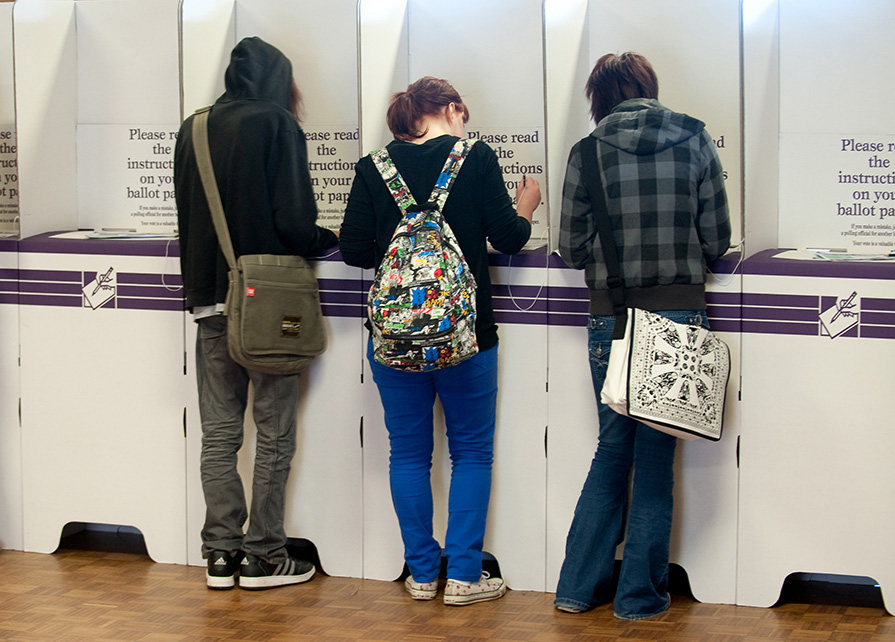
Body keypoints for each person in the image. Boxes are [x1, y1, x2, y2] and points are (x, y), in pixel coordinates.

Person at [339, 76, 541, 605]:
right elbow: (511, 239)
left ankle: (422, 574)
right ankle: (464, 578)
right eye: (463, 115)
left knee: (407, 455)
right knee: (471, 453)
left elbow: (357, 250)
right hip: (465, 335)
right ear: (451, 109)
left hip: (394, 343)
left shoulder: (372, 167)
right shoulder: (474, 158)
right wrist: (529, 203)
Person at [554, 53, 731, 619]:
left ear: (598, 98)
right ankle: (638, 598)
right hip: (678, 315)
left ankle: (577, 590)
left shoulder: (587, 152)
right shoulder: (696, 139)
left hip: (611, 317)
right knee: (655, 457)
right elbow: (717, 238)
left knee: (611, 450)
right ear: (650, 88)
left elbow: (571, 246)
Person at [174, 36, 338, 590]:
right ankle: (265, 554)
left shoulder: (192, 127)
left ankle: (219, 555)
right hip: (267, 303)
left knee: (219, 435)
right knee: (273, 431)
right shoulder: (277, 125)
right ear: (279, 80)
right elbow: (294, 220)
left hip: (207, 300)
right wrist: (326, 236)